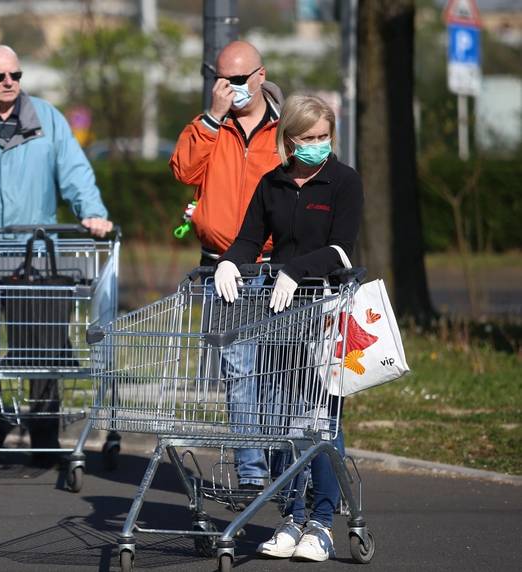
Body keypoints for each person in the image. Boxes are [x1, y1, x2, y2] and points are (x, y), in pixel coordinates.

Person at [0, 44, 112, 465]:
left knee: (43, 347)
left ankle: (44, 436)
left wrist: (92, 212)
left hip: (36, 258)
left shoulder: (47, 118)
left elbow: (75, 172)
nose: (9, 82)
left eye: (16, 75)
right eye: (0, 77)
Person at [214, 94, 364, 562]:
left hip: (324, 309)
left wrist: (298, 270)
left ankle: (321, 522)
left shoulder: (344, 181)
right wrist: (229, 262)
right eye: (308, 138)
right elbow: (250, 239)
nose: (318, 145)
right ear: (289, 140)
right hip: (279, 312)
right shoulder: (273, 183)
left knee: (318, 419)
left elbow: (341, 248)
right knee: (279, 417)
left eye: (324, 137)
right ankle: (291, 517)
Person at [170, 40, 284, 497]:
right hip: (221, 270)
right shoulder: (209, 127)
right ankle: (252, 473)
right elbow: (183, 170)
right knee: (238, 373)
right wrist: (212, 119)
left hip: (274, 270)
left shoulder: (284, 129)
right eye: (220, 80)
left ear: (260, 76)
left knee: (277, 373)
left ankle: (282, 464)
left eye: (237, 80)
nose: (229, 88)